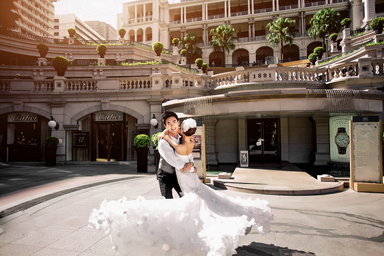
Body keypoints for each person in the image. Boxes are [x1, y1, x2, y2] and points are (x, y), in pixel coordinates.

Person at [89, 118, 273, 256]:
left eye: (176, 124)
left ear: (182, 128)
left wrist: (184, 159)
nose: (174, 127)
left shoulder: (180, 140)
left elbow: (181, 156)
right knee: (183, 202)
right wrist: (171, 143)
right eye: (170, 124)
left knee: (190, 203)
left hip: (185, 175)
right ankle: (180, 232)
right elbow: (173, 155)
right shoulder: (176, 139)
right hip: (174, 175)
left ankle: (191, 232)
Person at [157, 111, 194, 199]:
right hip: (166, 175)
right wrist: (190, 168)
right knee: (168, 201)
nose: (172, 125)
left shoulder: (183, 137)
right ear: (165, 126)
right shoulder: (163, 143)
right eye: (168, 123)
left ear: (178, 123)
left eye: (174, 121)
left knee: (186, 198)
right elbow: (175, 161)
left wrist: (191, 163)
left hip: (179, 174)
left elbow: (188, 153)